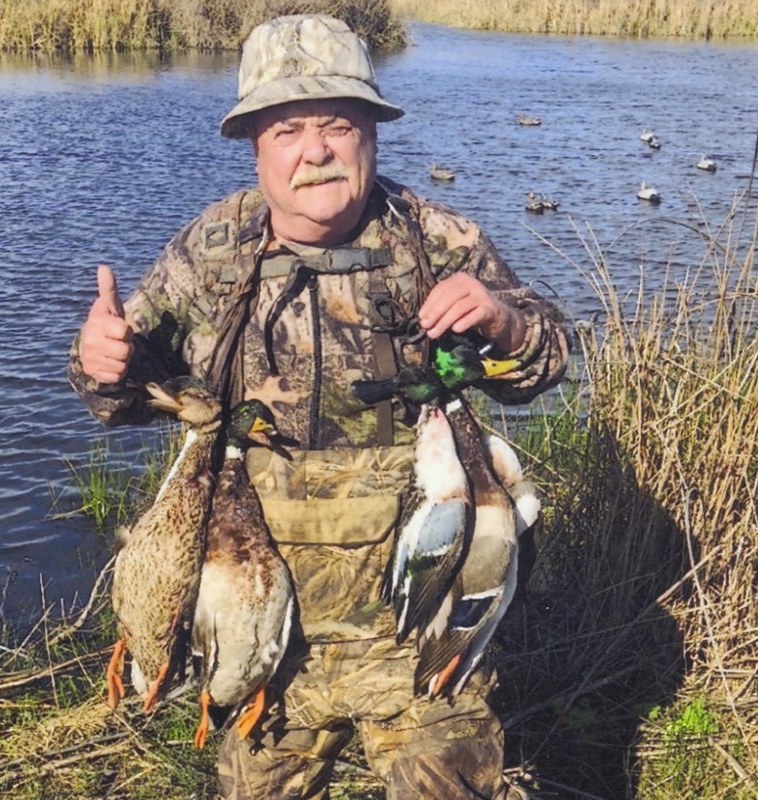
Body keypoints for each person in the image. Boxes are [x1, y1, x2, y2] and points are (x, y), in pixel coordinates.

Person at [70, 13, 568, 799]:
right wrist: (100, 364)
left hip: (413, 641)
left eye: (337, 124)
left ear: (372, 131)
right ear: (255, 146)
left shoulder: (435, 241)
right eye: (287, 130)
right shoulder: (214, 252)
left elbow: (545, 364)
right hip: (263, 634)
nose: (315, 151)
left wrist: (506, 324)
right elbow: (123, 396)